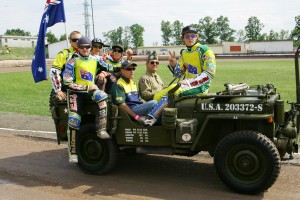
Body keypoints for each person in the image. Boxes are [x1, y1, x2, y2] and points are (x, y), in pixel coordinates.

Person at [63, 37, 118, 163]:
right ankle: (73, 152)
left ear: (90, 48)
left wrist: (124, 68)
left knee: (102, 97)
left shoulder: (95, 60)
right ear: (78, 48)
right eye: (82, 47)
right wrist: (86, 87)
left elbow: (110, 67)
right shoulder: (72, 62)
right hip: (76, 93)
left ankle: (101, 129)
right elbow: (67, 83)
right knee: (74, 120)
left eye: (88, 47)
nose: (85, 49)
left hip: (90, 91)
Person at [169, 25, 216, 97]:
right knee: (162, 93)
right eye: (187, 36)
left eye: (193, 36)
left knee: (172, 94)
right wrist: (174, 65)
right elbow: (179, 74)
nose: (190, 38)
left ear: (197, 37)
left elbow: (210, 73)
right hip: (187, 85)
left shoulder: (205, 50)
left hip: (201, 87)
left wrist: (189, 82)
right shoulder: (184, 52)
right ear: (183, 39)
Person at [111, 60, 159, 126]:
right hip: (131, 111)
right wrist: (137, 117)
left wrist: (148, 105)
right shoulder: (118, 84)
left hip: (138, 107)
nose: (132, 71)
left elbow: (140, 99)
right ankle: (148, 122)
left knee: (159, 105)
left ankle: (149, 121)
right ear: (122, 70)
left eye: (133, 69)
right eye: (129, 69)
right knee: (154, 103)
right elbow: (122, 105)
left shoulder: (132, 82)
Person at [50, 31, 82, 101]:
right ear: (70, 41)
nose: (77, 42)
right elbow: (54, 72)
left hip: (85, 85)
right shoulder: (63, 54)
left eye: (79, 39)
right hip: (69, 87)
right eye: (74, 40)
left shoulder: (87, 53)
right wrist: (58, 90)